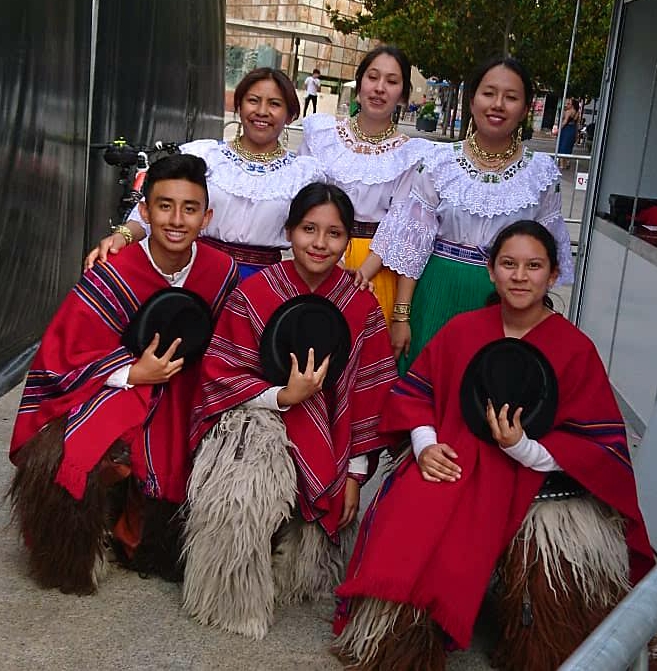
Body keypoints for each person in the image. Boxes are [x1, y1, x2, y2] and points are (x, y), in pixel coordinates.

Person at [333, 221, 654, 671]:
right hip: (455, 457)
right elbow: (418, 393)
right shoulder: (464, 330)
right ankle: (398, 638)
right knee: (414, 511)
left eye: (533, 265)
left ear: (554, 273)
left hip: (541, 477)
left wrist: (523, 447)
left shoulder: (574, 348)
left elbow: (597, 442)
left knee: (554, 572)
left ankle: (539, 643)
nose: (520, 276)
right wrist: (425, 445)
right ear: (491, 271)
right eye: (509, 264)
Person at [9, 154, 239, 595]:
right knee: (79, 445)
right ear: (146, 211)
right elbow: (63, 356)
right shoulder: (113, 271)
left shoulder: (221, 271)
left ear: (206, 216)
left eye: (190, 208)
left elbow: (231, 345)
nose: (176, 219)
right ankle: (81, 539)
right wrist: (132, 372)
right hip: (116, 386)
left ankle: (161, 535)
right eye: (165, 206)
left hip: (192, 388)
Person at [182, 182, 397, 639]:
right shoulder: (256, 293)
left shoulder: (361, 305)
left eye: (334, 234)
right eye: (308, 229)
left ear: (348, 239)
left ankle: (301, 571)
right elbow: (221, 374)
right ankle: (230, 596)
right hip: (257, 417)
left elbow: (369, 395)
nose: (320, 244)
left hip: (333, 438)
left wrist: (355, 475)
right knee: (243, 476)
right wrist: (284, 397)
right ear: (289, 231)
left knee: (328, 525)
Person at [354, 56, 574, 372]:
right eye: (488, 93)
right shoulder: (439, 163)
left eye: (511, 97)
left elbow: (544, 255)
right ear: (472, 101)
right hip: (436, 293)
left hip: (504, 300)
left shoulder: (541, 175)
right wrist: (401, 315)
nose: (498, 104)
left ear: (525, 109)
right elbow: (413, 248)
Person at [86, 67, 324, 281]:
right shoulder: (204, 155)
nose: (262, 111)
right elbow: (156, 208)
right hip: (195, 273)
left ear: (290, 115)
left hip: (262, 284)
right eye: (253, 100)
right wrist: (122, 236)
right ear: (239, 107)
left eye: (274, 104)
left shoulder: (303, 174)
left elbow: (317, 233)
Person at [298, 45, 434, 332]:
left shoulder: (411, 155)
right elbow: (303, 200)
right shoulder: (323, 135)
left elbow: (401, 222)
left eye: (392, 81)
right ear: (359, 85)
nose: (380, 88)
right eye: (373, 77)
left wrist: (360, 274)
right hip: (317, 255)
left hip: (375, 267)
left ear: (403, 96)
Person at [557, 97, 580, 168]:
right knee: (568, 147)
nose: (567, 105)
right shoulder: (577, 113)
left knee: (562, 147)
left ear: (572, 105)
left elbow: (565, 122)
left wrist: (559, 129)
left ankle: (561, 164)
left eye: (569, 104)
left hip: (566, 130)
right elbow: (577, 125)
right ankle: (567, 162)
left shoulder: (568, 111)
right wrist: (577, 135)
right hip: (572, 130)